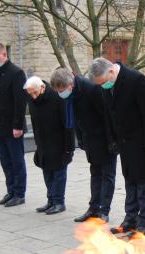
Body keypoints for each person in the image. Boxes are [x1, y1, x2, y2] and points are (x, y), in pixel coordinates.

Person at [89, 57, 145, 238]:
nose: (103, 87)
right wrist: (112, 139)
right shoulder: (106, 85)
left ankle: (143, 222)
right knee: (130, 181)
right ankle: (130, 219)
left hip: (142, 142)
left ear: (111, 72)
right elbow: (109, 114)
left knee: (144, 183)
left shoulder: (137, 80)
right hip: (124, 143)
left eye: (104, 83)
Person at [50, 68, 117, 223]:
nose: (61, 94)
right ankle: (94, 208)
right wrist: (80, 139)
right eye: (58, 91)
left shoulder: (91, 89)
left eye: (62, 90)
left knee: (107, 175)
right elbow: (77, 118)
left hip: (104, 139)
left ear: (70, 84)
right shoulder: (71, 94)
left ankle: (104, 211)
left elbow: (107, 115)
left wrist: (112, 141)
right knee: (95, 174)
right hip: (89, 138)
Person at [24, 76, 74, 215]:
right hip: (43, 142)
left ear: (42, 87)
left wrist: (69, 148)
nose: (33, 96)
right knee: (47, 172)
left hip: (58, 142)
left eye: (35, 92)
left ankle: (59, 202)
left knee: (58, 173)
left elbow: (68, 124)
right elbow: (34, 121)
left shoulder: (56, 97)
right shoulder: (32, 99)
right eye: (30, 94)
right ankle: (51, 200)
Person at [0, 42, 27, 207]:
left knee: (16, 161)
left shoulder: (16, 73)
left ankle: (19, 193)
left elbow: (20, 101)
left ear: (4, 55)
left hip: (12, 125)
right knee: (5, 161)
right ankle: (10, 191)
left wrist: (17, 125)